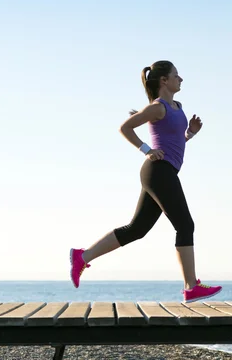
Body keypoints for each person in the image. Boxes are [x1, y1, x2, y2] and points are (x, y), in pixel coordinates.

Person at [69, 60, 222, 303]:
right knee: (185, 225)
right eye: (176, 75)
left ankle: (83, 257)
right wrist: (146, 149)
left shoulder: (177, 107)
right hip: (158, 171)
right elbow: (125, 127)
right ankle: (191, 286)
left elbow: (174, 143)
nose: (180, 79)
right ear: (164, 81)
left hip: (164, 171)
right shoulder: (157, 108)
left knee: (137, 229)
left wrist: (189, 134)